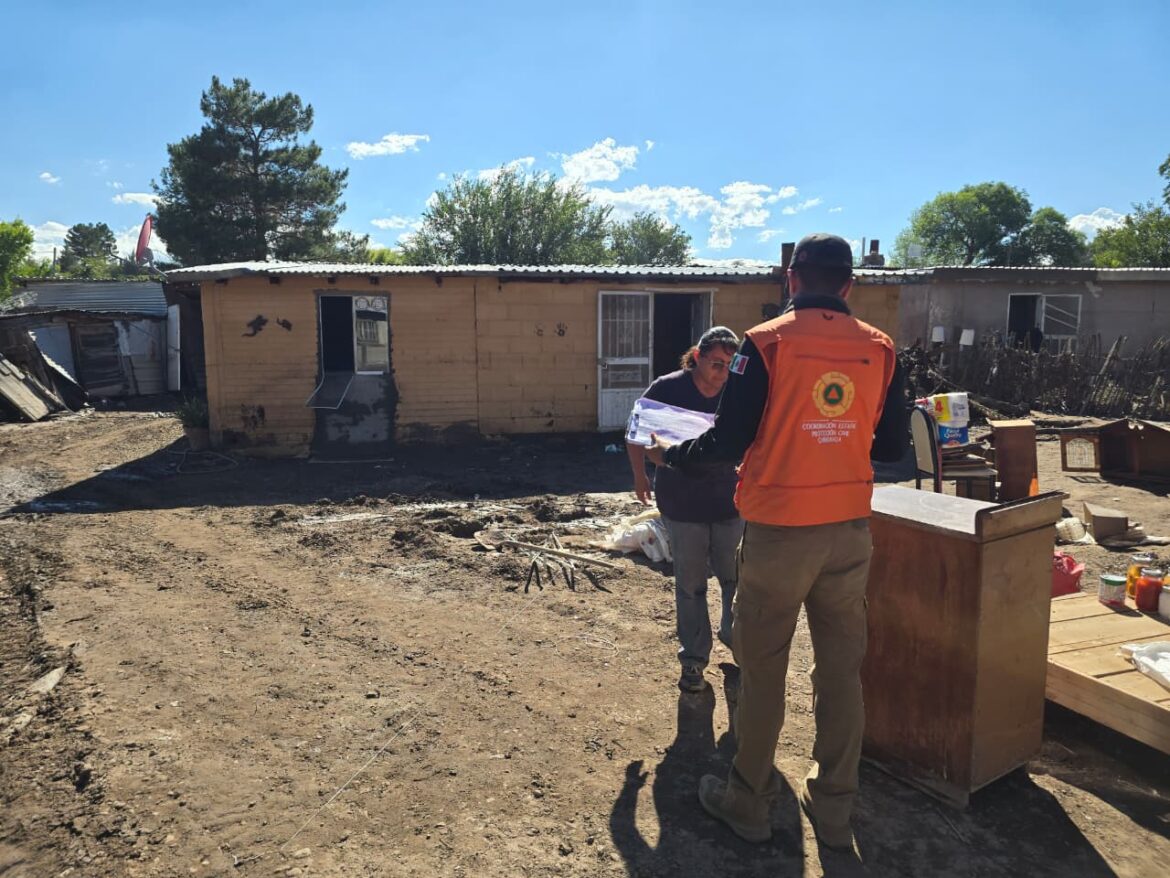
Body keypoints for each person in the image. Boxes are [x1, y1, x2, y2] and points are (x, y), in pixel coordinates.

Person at [646, 234, 908, 850]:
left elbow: (728, 441)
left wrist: (671, 455)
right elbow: (893, 446)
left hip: (780, 531)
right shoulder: (881, 348)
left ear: (791, 279)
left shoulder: (765, 344)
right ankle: (835, 809)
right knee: (841, 671)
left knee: (762, 668)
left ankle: (748, 801)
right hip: (848, 530)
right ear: (849, 285)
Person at [627, 326, 743, 694]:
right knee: (691, 586)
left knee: (735, 581)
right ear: (697, 358)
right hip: (683, 504)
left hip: (730, 502)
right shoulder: (667, 389)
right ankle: (693, 659)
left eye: (729, 366)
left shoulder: (738, 392)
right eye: (716, 363)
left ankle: (738, 643)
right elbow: (636, 431)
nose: (722, 373)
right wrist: (640, 475)